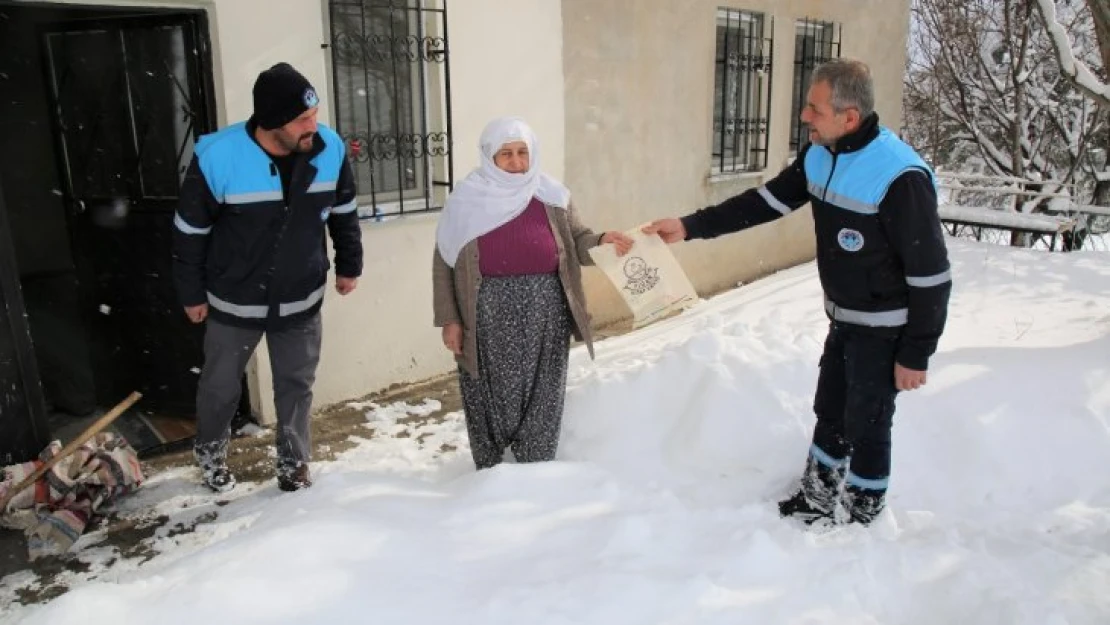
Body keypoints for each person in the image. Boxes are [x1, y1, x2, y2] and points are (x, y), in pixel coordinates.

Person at [644, 59, 951, 525]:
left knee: (867, 424)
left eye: (815, 108)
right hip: (844, 320)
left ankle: (861, 516)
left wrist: (917, 352)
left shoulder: (898, 176)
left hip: (886, 329)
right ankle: (818, 497)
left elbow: (931, 275)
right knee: (830, 409)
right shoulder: (819, 155)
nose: (805, 116)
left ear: (849, 117)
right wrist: (689, 227)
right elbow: (763, 203)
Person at [172, 63, 362, 493]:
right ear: (272, 122)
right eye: (302, 120)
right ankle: (210, 453)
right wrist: (191, 292)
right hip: (233, 299)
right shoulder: (219, 157)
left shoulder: (327, 147)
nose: (313, 126)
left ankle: (294, 464)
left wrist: (349, 264)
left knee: (296, 386)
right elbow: (190, 232)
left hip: (300, 296)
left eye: (313, 115)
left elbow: (344, 211)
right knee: (220, 388)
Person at [432, 117, 633, 470]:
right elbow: (443, 262)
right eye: (505, 154)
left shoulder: (552, 196)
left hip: (547, 306)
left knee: (544, 384)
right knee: (488, 388)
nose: (516, 161)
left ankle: (537, 466)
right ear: (488, 156)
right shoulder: (465, 200)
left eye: (523, 152)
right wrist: (449, 319)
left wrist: (602, 242)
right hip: (484, 309)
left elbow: (578, 240)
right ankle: (491, 467)